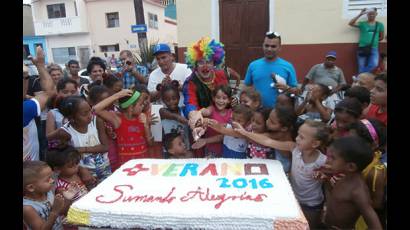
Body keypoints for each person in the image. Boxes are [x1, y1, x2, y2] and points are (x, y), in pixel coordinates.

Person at [235, 120, 332, 229]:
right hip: (293, 198)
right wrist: (245, 133)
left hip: (312, 204)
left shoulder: (323, 161)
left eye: (302, 137)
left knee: (309, 227)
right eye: (298, 135)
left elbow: (330, 181)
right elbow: (267, 141)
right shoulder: (294, 148)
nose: (296, 139)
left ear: (315, 143)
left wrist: (324, 177)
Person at [320, 137, 383, 229]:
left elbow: (375, 225)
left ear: (351, 167)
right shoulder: (343, 177)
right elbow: (336, 197)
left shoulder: (358, 191)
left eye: (332, 158)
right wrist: (326, 181)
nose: (327, 160)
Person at [55, 96, 111, 188]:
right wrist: (82, 170)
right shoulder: (65, 132)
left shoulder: (97, 121)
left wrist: (82, 149)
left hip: (105, 168)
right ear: (72, 117)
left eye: (90, 111)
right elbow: (67, 156)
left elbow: (105, 146)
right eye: (84, 114)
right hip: (84, 172)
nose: (90, 115)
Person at [183, 37, 229, 139]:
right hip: (202, 124)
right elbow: (190, 103)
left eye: (209, 62)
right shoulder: (190, 82)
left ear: (214, 63)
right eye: (201, 62)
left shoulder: (221, 75)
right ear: (195, 64)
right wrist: (194, 115)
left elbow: (227, 96)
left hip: (222, 123)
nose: (205, 66)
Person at [93, 88, 153, 166]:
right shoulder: (118, 120)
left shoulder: (142, 117)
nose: (143, 106)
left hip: (143, 164)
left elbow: (150, 143)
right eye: (140, 104)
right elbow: (96, 109)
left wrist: (146, 126)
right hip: (126, 166)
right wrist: (117, 95)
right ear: (131, 108)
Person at [347, 119, 387, 229]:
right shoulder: (354, 157)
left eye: (354, 142)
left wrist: (352, 198)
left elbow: (377, 204)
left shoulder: (375, 172)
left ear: (373, 145)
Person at [244, 31, 298, 108]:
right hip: (257, 112)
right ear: (263, 46)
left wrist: (287, 88)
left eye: (273, 46)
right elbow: (246, 86)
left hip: (279, 113)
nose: (269, 49)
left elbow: (296, 91)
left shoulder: (288, 66)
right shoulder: (253, 65)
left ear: (279, 48)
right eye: (266, 45)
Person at [24, 46, 57, 161]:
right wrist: (40, 65)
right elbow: (50, 92)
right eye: (26, 77)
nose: (27, 80)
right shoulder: (26, 109)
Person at [191, 85, 233, 158]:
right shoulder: (211, 109)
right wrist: (198, 113)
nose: (221, 101)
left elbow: (225, 135)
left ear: (229, 100)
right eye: (218, 97)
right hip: (211, 150)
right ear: (213, 98)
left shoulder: (231, 114)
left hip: (227, 150)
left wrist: (205, 141)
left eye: (224, 98)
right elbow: (205, 111)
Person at [46, 146, 88, 216]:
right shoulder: (61, 188)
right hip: (77, 215)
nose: (76, 167)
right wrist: (68, 197)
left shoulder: (77, 174)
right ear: (57, 169)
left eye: (77, 163)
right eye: (71, 166)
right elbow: (63, 210)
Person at [23, 161, 64, 229]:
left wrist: (69, 197)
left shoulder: (48, 193)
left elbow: (60, 210)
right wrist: (54, 212)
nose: (52, 181)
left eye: (51, 177)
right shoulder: (27, 208)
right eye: (48, 180)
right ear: (31, 187)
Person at [158, 81, 190, 156]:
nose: (171, 102)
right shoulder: (162, 112)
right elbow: (174, 117)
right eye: (168, 100)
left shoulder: (183, 110)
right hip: (169, 152)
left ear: (179, 97)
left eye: (174, 98)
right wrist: (187, 122)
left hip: (185, 148)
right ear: (163, 100)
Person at [349, 8, 385, 74]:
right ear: (367, 15)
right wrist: (360, 14)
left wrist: (374, 41)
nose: (371, 15)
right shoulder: (362, 24)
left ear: (376, 14)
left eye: (373, 14)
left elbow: (381, 37)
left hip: (374, 48)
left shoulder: (380, 25)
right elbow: (350, 23)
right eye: (369, 14)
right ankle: (361, 80)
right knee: (361, 66)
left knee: (374, 64)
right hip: (362, 47)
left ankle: (358, 77)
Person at [46, 78, 79, 149]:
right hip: (63, 152)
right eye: (65, 92)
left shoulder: (82, 109)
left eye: (73, 92)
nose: (69, 95)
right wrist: (62, 130)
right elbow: (48, 136)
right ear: (58, 92)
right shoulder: (53, 113)